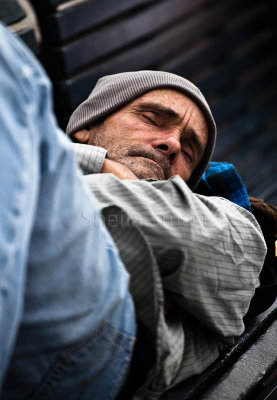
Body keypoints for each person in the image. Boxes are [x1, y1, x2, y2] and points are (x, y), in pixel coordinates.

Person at [0, 24, 267, 400]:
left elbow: (234, 268)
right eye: (152, 118)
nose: (172, 142)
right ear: (87, 126)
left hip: (98, 346)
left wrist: (77, 166)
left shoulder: (230, 219)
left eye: (190, 151)